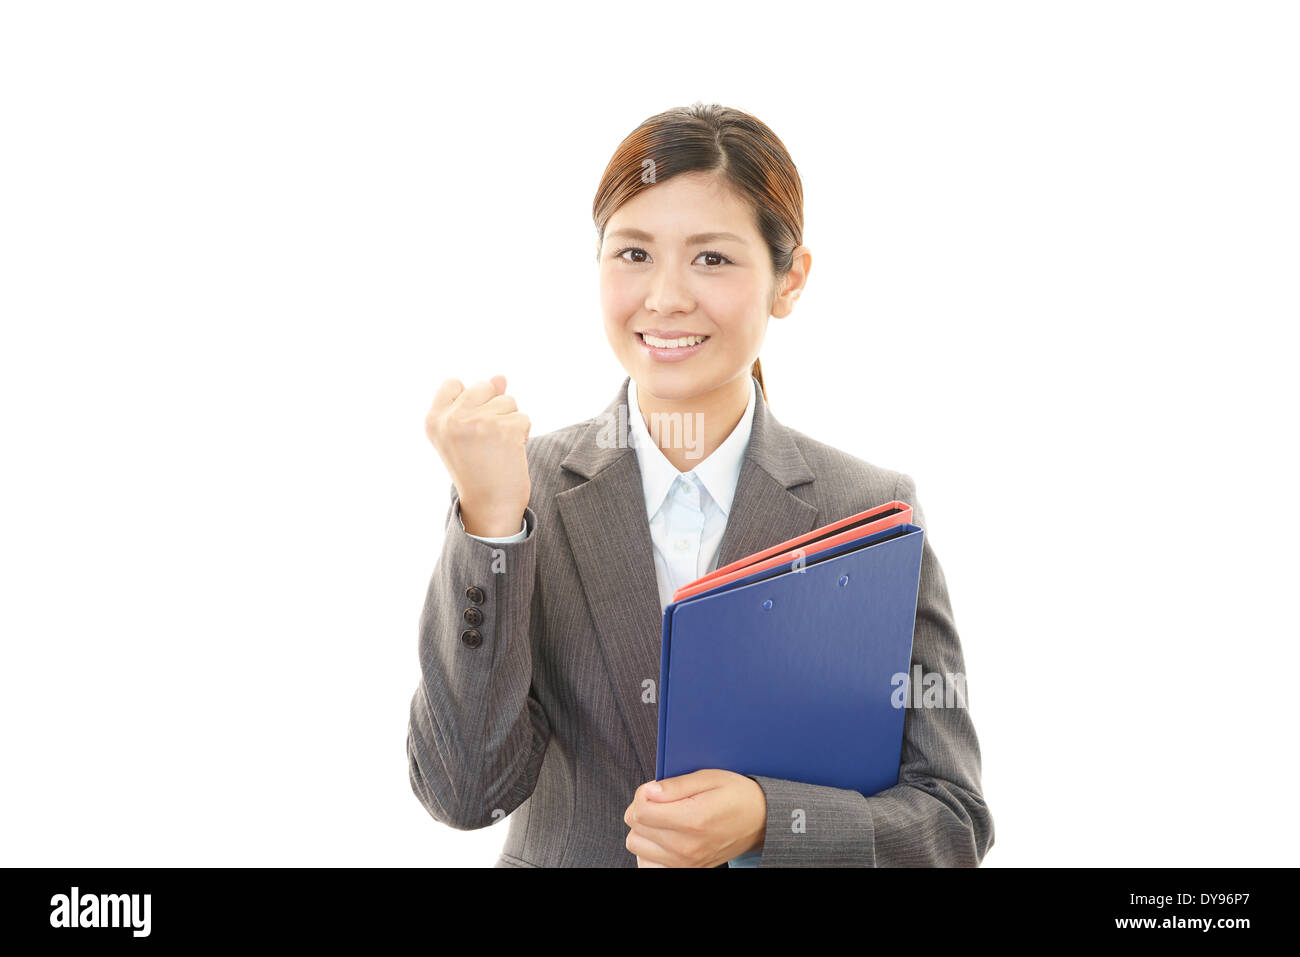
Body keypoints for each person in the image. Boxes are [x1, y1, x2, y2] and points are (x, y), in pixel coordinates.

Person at [408, 102, 994, 867]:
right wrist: (490, 525)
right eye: (633, 254)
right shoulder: (528, 492)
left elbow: (951, 822)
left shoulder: (868, 510)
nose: (666, 297)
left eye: (712, 259)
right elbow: (464, 791)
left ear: (790, 280)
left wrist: (770, 818)